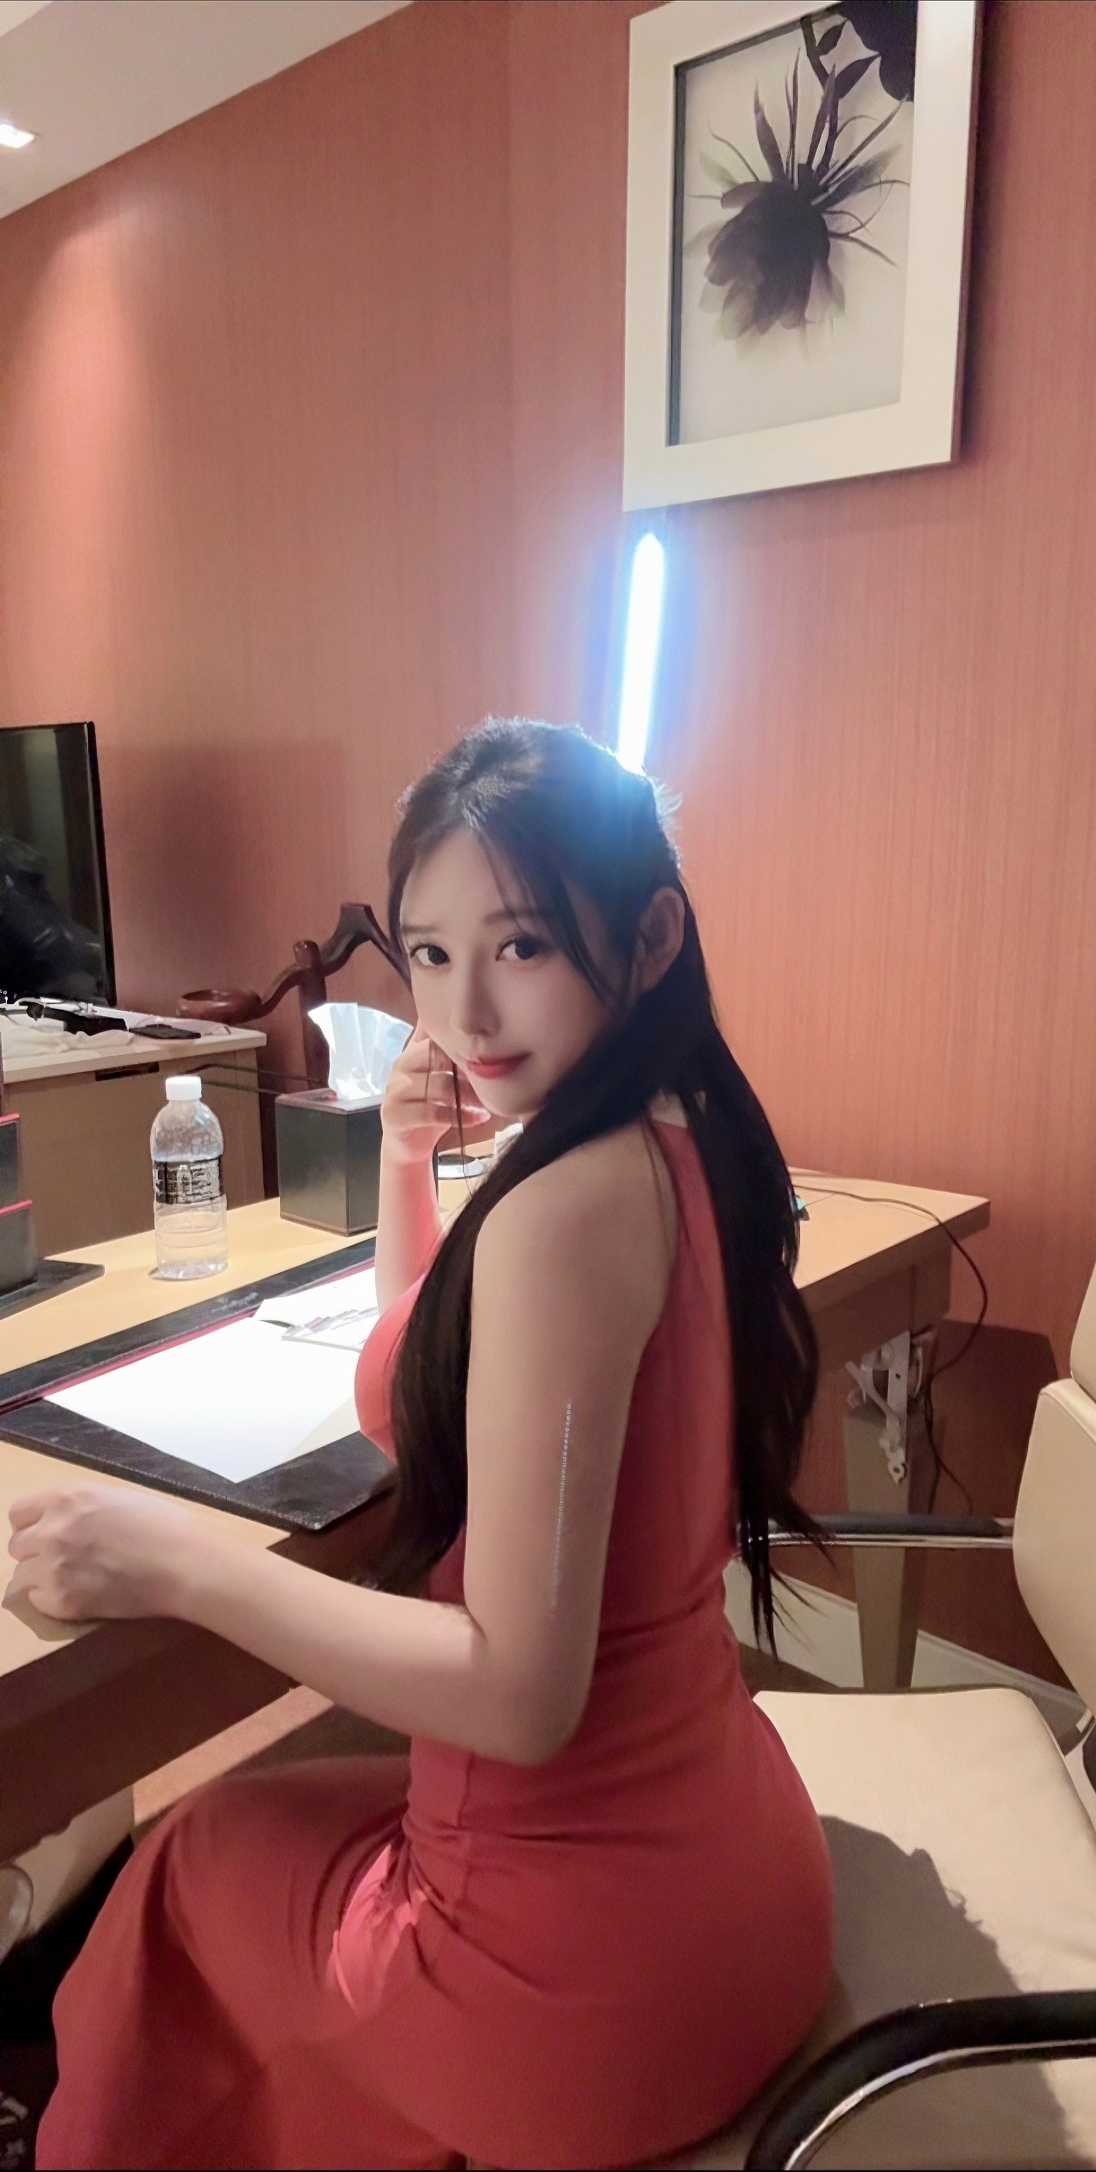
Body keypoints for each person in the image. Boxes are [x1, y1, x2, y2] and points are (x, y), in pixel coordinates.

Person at [7, 719, 834, 2171]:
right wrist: (405, 1160)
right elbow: (427, 1374)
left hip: (582, 1984)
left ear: (650, 937)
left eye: (521, 945)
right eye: (432, 956)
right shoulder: (685, 1137)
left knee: (180, 1872)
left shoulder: (565, 1209)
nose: (464, 1011)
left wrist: (182, 1562)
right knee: (237, 1840)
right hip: (737, 1888)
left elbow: (516, 1694)